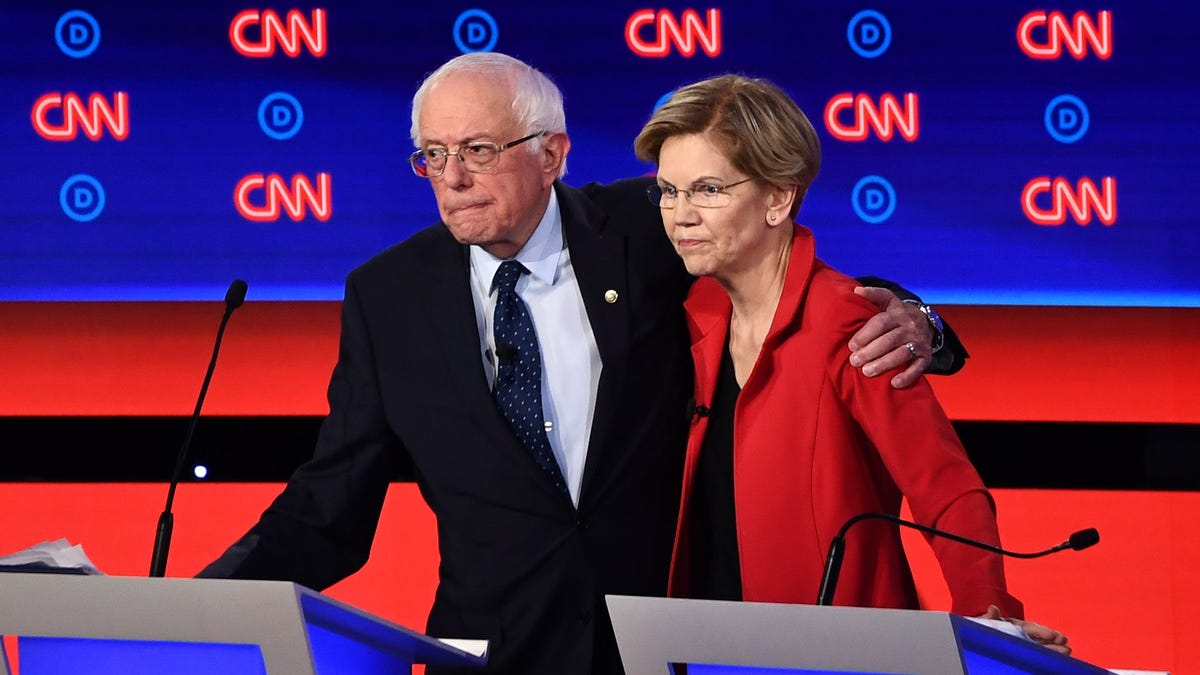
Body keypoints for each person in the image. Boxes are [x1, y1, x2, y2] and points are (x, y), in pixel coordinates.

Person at [198, 53, 969, 674]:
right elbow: (331, 502)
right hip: (497, 651)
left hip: (662, 644)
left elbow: (773, 262)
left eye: (476, 150)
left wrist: (920, 323)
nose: (451, 177)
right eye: (431, 154)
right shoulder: (387, 295)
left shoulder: (646, 225)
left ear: (551, 154)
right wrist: (202, 610)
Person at [633, 73, 1072, 655]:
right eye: (669, 190)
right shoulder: (691, 310)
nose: (679, 215)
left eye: (708, 190)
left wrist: (988, 615)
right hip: (703, 646)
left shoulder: (848, 323)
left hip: (834, 653)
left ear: (778, 198)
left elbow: (944, 485)